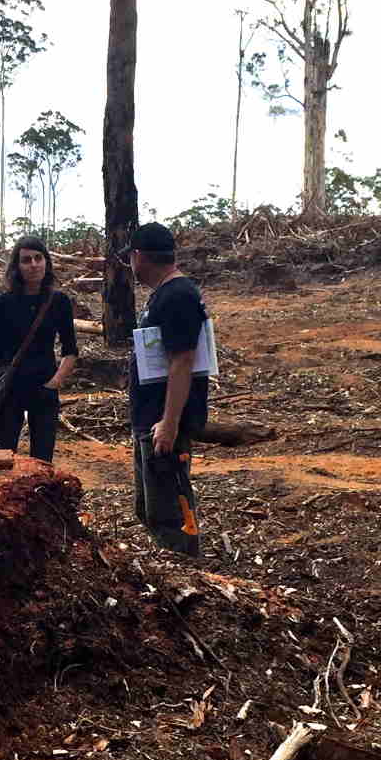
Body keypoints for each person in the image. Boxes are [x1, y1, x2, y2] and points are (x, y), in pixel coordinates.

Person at [127, 221, 214, 556]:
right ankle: (170, 571)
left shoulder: (178, 295)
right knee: (149, 508)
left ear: (139, 257)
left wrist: (169, 423)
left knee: (169, 511)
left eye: (131, 258)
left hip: (163, 421)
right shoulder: (166, 293)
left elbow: (183, 360)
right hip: (150, 417)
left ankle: (187, 570)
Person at [0, 233, 78, 462]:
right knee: (3, 456)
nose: (33, 265)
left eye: (38, 258)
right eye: (26, 260)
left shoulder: (59, 302)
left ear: (47, 261)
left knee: (42, 460)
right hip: (8, 389)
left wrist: (53, 384)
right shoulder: (4, 303)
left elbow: (70, 350)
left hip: (43, 388)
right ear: (17, 266)